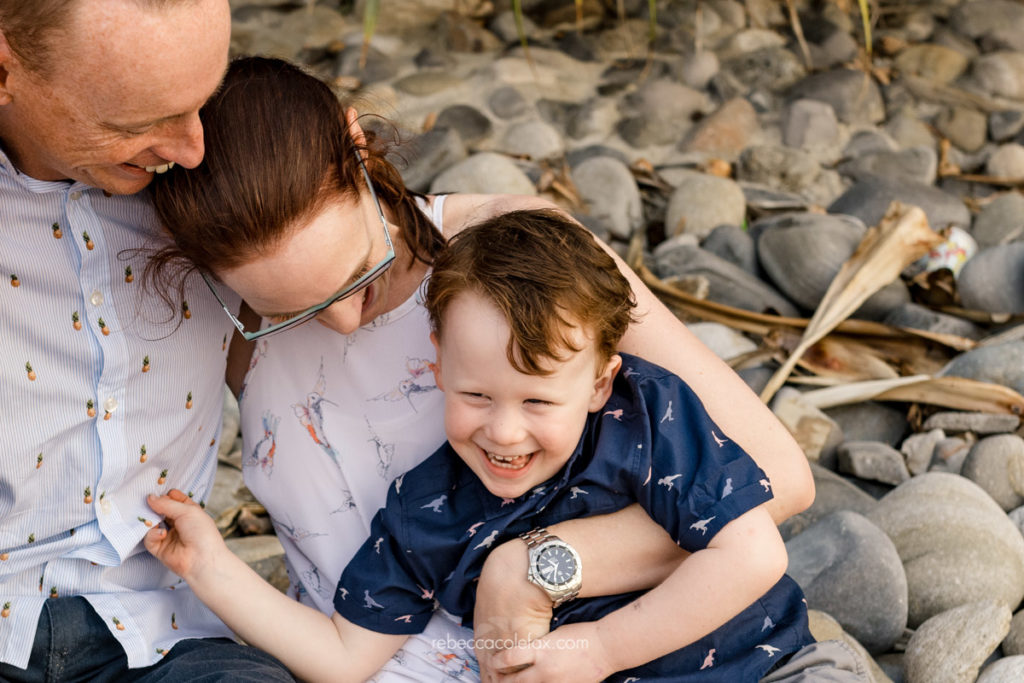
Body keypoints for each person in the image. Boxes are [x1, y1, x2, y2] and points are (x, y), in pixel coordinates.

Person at [147, 55, 815, 679]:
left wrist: (536, 567)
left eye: (359, 273)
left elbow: (775, 477)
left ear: (357, 147)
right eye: (292, 310)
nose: (344, 320)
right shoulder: (224, 328)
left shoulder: (509, 265)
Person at [0, 0, 295, 679]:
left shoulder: (218, 175)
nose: (193, 147)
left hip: (164, 633)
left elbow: (367, 251)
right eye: (138, 122)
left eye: (202, 100)